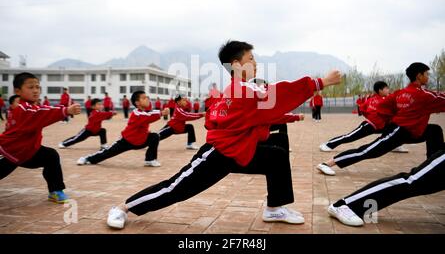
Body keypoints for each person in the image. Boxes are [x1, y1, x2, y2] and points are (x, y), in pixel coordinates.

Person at [105, 40, 341, 230]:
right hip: (218, 154)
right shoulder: (244, 89)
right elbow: (278, 93)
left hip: (239, 150)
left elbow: (254, 116)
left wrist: (287, 118)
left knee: (276, 155)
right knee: (175, 189)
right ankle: (123, 208)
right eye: (251, 59)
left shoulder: (235, 89)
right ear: (236, 65)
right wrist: (319, 82)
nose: (256, 63)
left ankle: (274, 208)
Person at [316, 62, 445, 176]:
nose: (428, 76)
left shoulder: (399, 93)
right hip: (397, 131)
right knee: (368, 151)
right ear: (419, 75)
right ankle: (326, 164)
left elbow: (383, 107)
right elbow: (440, 99)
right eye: (426, 74)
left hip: (410, 131)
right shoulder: (424, 95)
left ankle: (434, 168)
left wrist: (395, 116)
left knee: (434, 131)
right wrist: (395, 119)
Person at [0, 72, 81, 203]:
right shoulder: (24, 109)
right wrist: (65, 111)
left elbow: (42, 110)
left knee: (50, 156)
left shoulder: (31, 107)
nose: (36, 91)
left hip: (27, 151)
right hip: (10, 152)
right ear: (18, 91)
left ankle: (55, 191)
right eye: (31, 87)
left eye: (37, 87)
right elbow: (41, 114)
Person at [328, 148, 445, 227]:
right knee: (415, 181)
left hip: (410, 130)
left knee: (433, 130)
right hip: (397, 126)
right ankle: (344, 205)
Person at [77, 91, 169, 167]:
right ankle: (86, 158)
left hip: (141, 141)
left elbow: (149, 113)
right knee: (107, 153)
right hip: (127, 141)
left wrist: (161, 112)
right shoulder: (136, 113)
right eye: (144, 98)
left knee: (155, 136)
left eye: (147, 97)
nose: (147, 99)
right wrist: (161, 113)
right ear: (137, 103)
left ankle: (150, 160)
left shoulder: (145, 112)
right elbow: (148, 117)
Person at [319, 81, 391, 153]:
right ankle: (329, 144)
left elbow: (363, 109)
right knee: (350, 137)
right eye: (386, 88)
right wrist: (370, 118)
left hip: (382, 126)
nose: (388, 90)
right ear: (380, 90)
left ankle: (396, 145)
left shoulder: (379, 99)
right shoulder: (377, 100)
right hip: (369, 126)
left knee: (395, 130)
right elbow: (363, 108)